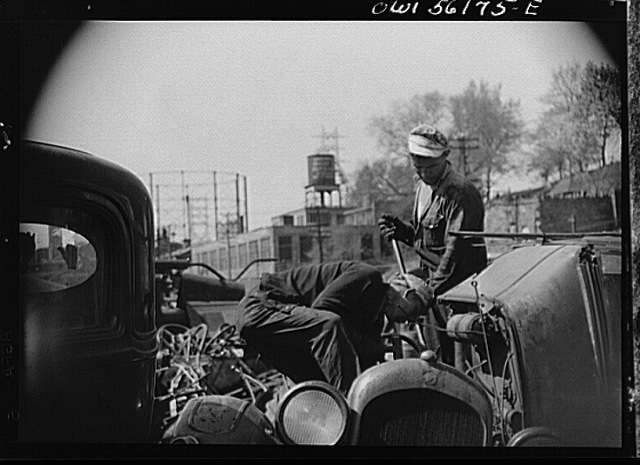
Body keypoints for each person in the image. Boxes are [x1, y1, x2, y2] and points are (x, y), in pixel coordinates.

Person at [235, 260, 431, 395]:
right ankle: (351, 412)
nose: (409, 320)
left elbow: (366, 360)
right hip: (261, 307)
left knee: (318, 387)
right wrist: (366, 346)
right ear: (404, 291)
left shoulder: (375, 318)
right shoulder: (367, 277)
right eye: (415, 309)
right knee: (330, 326)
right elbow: (322, 310)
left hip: (276, 326)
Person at [378, 124, 488, 358]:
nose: (423, 173)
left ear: (445, 157)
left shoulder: (462, 194)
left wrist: (424, 295)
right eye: (418, 166)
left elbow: (455, 256)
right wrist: (403, 232)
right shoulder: (423, 189)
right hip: (434, 292)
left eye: (429, 166)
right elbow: (427, 240)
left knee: (461, 367)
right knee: (435, 359)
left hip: (460, 296)